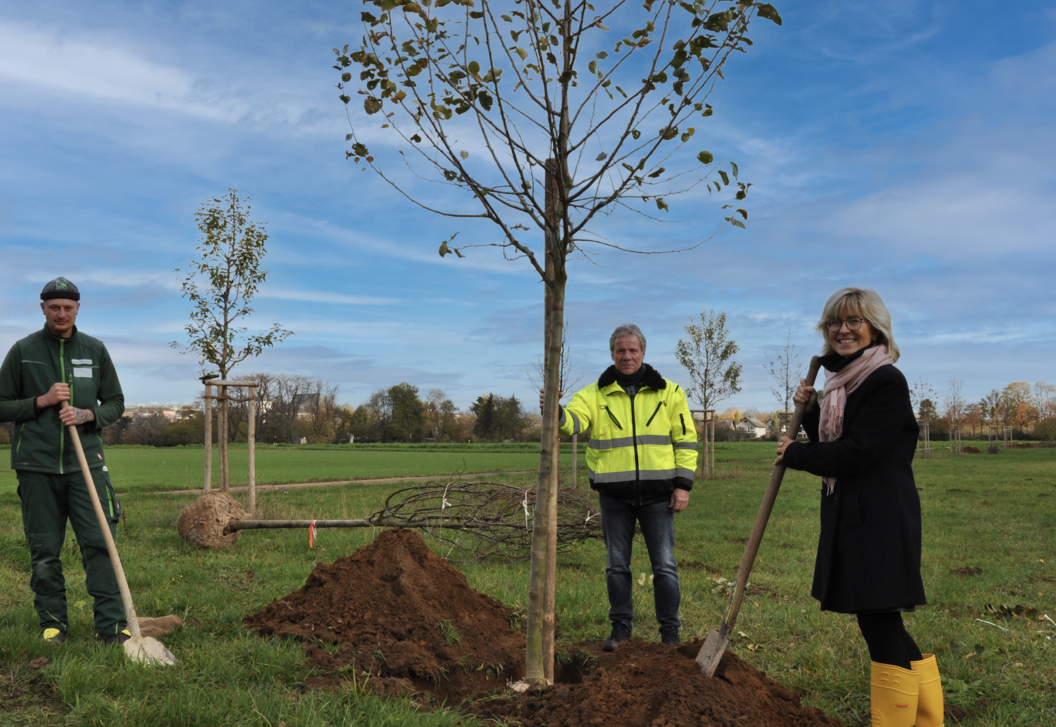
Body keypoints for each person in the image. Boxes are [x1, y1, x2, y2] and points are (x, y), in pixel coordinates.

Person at [775, 288, 943, 727]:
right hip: (854, 515)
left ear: (874, 328)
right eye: (834, 322)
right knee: (881, 619)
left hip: (880, 518)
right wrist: (810, 411)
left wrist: (793, 454)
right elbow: (832, 438)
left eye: (853, 321)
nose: (843, 330)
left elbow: (855, 453)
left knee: (878, 621)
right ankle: (925, 720)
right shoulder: (841, 383)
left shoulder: (885, 380)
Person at [540, 324, 697, 650]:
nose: (627, 356)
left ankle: (670, 635)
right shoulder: (594, 394)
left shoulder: (670, 392)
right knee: (616, 566)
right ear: (612, 354)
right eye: (620, 351)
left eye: (633, 350)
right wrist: (554, 411)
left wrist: (682, 486)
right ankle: (620, 631)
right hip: (614, 497)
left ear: (643, 352)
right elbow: (572, 423)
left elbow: (685, 440)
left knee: (665, 567)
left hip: (658, 497)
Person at [0, 278, 129, 645]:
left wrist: (89, 415)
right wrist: (40, 401)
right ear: (42, 307)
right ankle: (53, 623)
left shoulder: (95, 350)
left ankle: (112, 626)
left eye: (67, 307)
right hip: (36, 466)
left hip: (86, 464)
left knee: (101, 543)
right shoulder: (23, 351)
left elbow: (116, 402)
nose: (61, 313)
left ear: (78, 309)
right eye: (54, 307)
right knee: (44, 551)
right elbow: (1, 404)